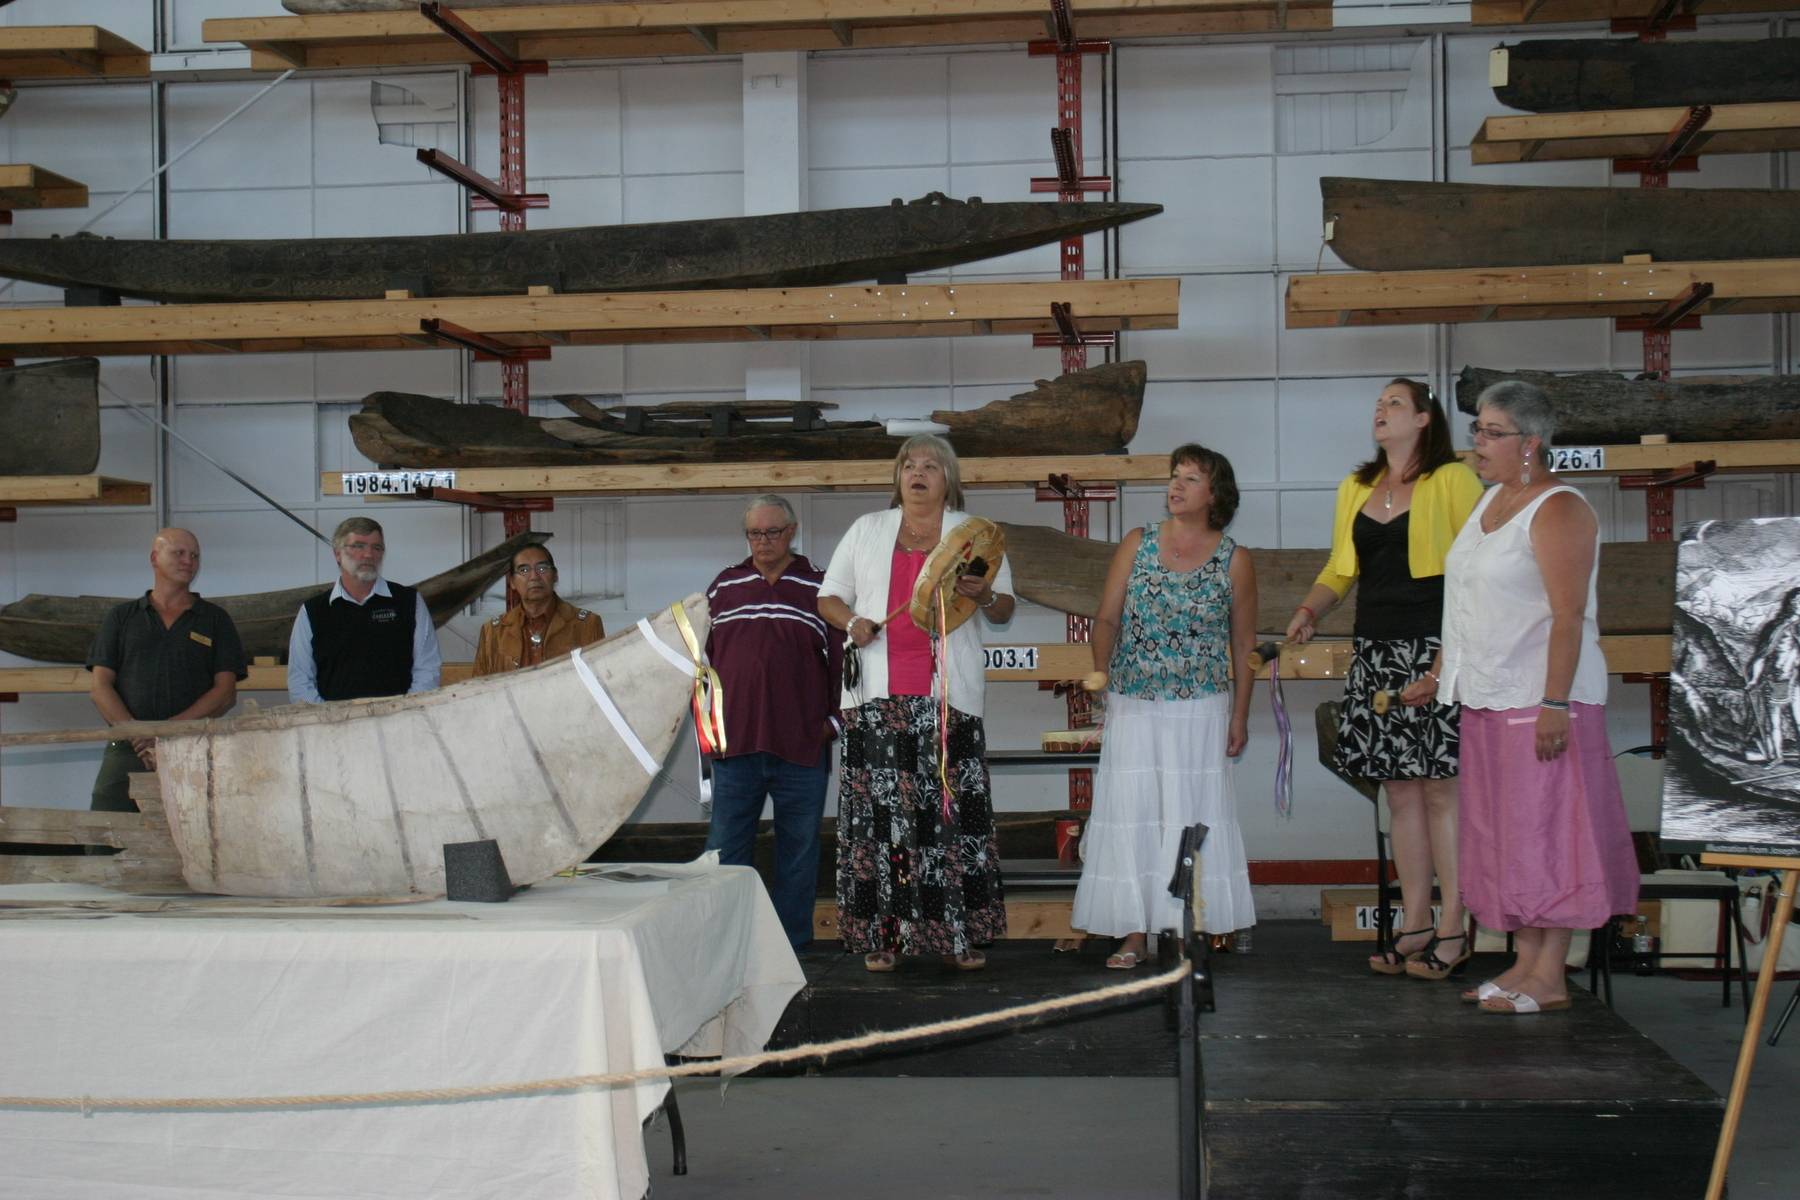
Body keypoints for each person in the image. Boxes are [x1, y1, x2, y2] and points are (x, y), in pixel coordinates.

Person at [1402, 379, 1639, 1015]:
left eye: (1490, 432)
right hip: (1486, 695)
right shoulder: (1490, 504)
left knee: (1549, 832)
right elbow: (1469, 603)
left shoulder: (1559, 508)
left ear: (1530, 443)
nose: (1477, 442)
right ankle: (1524, 963)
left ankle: (1551, 975)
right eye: (1478, 430)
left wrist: (1555, 703)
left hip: (1540, 698)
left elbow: (1567, 616)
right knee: (1505, 834)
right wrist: (1439, 670)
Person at [1286, 379, 1484, 980]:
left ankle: (1455, 926)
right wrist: (1310, 609)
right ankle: (1415, 921)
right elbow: (1340, 568)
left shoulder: (1453, 479)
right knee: (1399, 790)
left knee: (1441, 788)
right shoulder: (1356, 486)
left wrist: (1444, 661)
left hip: (1439, 643)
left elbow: (1478, 570)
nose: (1381, 410)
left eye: (1395, 403)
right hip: (1376, 649)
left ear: (1425, 420)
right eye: (1378, 403)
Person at [817, 435, 1013, 972]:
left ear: (948, 478)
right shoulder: (868, 529)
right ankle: (887, 937)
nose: (918, 472)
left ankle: (959, 934)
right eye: (909, 464)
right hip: (877, 699)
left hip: (948, 699)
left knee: (948, 820)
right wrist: (851, 621)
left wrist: (984, 595)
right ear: (898, 476)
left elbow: (1003, 608)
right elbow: (829, 595)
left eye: (931, 465)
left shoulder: (974, 535)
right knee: (886, 827)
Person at [1072, 444, 1257, 969]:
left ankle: (1182, 929)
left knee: (1190, 817)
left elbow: (1245, 646)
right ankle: (1132, 932)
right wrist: (1102, 671)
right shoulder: (1138, 543)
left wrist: (1240, 714)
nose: (1176, 486)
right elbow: (1106, 617)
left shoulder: (1235, 558)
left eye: (1191, 479)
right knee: (1131, 814)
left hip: (1202, 706)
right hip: (1134, 700)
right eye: (1174, 477)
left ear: (1215, 494)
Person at [703, 495, 843, 950]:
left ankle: (790, 950)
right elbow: (699, 667)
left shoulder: (822, 588)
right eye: (754, 533)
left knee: (799, 855)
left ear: (792, 531)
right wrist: (709, 730)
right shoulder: (723, 587)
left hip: (803, 748)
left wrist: (833, 725)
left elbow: (848, 666)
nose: (763, 542)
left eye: (773, 532)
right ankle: (728, 947)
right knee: (726, 854)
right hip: (734, 746)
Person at [86, 528, 247, 812]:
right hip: (128, 747)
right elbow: (100, 687)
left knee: (201, 833)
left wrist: (166, 733)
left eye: (195, 555)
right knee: (105, 834)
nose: (189, 561)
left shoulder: (215, 620)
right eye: (179, 553)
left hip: (193, 747)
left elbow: (225, 693)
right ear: (154, 558)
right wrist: (138, 734)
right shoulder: (121, 617)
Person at [287, 517, 442, 703]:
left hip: (398, 722)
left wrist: (406, 712)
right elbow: (300, 680)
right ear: (337, 554)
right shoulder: (312, 611)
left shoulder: (409, 602)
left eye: (376, 548)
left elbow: (428, 669)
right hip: (334, 726)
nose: (368, 554)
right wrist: (327, 721)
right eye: (358, 546)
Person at [471, 543, 604, 676]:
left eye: (542, 568)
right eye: (524, 570)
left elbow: (602, 681)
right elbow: (478, 690)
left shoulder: (587, 624)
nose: (534, 576)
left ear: (555, 575)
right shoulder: (493, 633)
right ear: (512, 581)